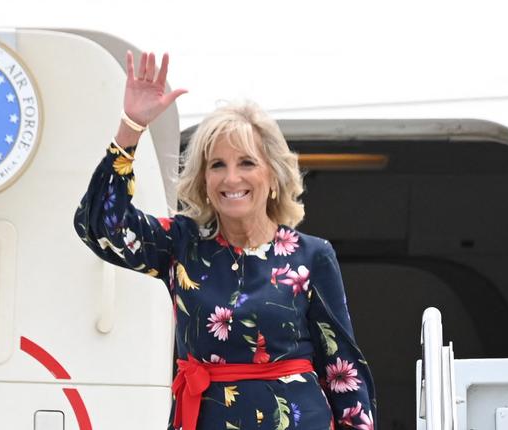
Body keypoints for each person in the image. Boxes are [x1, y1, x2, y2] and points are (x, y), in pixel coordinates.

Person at [74, 51, 376, 430]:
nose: (231, 179)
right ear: (204, 180)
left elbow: (342, 370)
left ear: (272, 176)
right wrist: (131, 127)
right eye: (218, 165)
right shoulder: (181, 244)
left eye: (246, 163)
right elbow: (99, 225)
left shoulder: (312, 256)